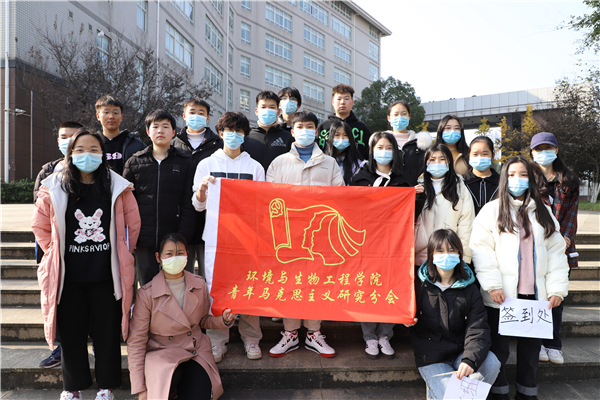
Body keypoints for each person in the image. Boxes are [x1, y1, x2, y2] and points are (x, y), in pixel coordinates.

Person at [31, 129, 141, 400]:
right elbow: (40, 226)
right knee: (71, 336)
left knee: (107, 335)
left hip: (106, 276)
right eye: (80, 150)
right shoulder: (54, 186)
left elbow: (132, 224)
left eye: (93, 149)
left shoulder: (117, 186)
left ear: (102, 154)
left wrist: (123, 252)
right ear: (70, 154)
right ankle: (72, 387)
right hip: (68, 278)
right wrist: (54, 252)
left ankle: (106, 387)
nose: (86, 155)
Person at [470, 156, 569, 400]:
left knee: (530, 350)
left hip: (535, 296)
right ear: (504, 178)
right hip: (502, 296)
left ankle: (527, 393)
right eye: (512, 174)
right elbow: (481, 251)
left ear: (531, 179)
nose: (518, 179)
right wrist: (492, 285)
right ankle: (499, 392)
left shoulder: (543, 212)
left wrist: (557, 289)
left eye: (523, 174)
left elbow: (556, 253)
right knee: (499, 349)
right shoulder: (491, 211)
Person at [267, 111, 343, 358]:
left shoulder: (329, 163)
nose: (305, 131)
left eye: (309, 126)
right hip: (287, 237)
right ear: (292, 131)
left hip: (318, 236)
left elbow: (341, 198)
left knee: (317, 282)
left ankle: (313, 333)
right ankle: (290, 333)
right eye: (299, 127)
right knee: (290, 282)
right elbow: (268, 200)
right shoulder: (279, 163)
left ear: (316, 131)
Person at [192, 111, 265, 363]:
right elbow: (198, 206)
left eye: (239, 131)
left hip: (247, 239)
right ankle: (217, 340)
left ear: (245, 135)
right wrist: (202, 190)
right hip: (216, 238)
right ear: (220, 133)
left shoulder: (254, 167)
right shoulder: (206, 164)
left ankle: (251, 338)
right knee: (217, 288)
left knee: (249, 286)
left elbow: (261, 205)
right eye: (229, 131)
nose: (234, 135)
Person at [127, 233, 235, 400]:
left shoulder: (199, 284)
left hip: (195, 350)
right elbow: (137, 341)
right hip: (162, 352)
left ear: (187, 255)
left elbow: (203, 321)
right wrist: (140, 388)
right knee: (163, 388)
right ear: (158, 257)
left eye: (180, 253)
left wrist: (224, 320)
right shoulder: (146, 293)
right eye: (169, 254)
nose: (175, 258)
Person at [350, 131, 425, 359]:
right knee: (367, 286)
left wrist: (416, 196)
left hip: (395, 244)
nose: (384, 152)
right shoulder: (360, 178)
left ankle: (385, 334)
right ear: (372, 151)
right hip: (366, 243)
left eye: (388, 148)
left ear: (395, 151)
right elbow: (350, 208)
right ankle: (369, 336)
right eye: (379, 147)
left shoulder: (405, 180)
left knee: (389, 286)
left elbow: (413, 213)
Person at [406, 229, 500, 400]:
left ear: (459, 254)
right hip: (432, 358)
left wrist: (469, 360)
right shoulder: (418, 285)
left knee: (492, 362)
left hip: (461, 352)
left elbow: (478, 328)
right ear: (431, 254)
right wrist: (405, 319)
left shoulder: (470, 288)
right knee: (452, 397)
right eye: (440, 251)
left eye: (451, 250)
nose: (446, 255)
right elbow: (402, 309)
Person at [123, 110, 196, 286]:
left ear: (174, 132)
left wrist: (182, 236)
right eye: (155, 126)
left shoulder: (185, 162)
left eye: (165, 126)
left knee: (176, 286)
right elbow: (126, 204)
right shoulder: (134, 162)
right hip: (144, 239)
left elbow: (189, 203)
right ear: (148, 131)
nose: (160, 131)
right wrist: (132, 235)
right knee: (147, 286)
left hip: (174, 237)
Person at [34, 120, 84, 369]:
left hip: (85, 248)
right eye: (65, 137)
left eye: (74, 137)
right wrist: (50, 249)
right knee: (59, 300)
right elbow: (40, 215)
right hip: (55, 249)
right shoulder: (47, 171)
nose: (69, 141)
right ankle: (62, 347)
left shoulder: (93, 172)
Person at [529, 132, 580, 365]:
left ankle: (553, 344)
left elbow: (572, 213)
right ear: (532, 153)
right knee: (536, 295)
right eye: (538, 149)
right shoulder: (527, 177)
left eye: (548, 148)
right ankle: (538, 342)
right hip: (536, 245)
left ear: (556, 150)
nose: (543, 153)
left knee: (556, 296)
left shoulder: (568, 179)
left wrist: (565, 236)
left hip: (561, 248)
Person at [172, 98, 224, 277]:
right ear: (184, 115)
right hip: (180, 216)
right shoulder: (174, 144)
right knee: (182, 274)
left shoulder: (218, 144)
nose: (196, 116)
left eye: (201, 113)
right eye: (192, 112)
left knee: (208, 273)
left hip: (209, 217)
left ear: (208, 118)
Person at [414, 143, 475, 267]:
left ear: (449, 162)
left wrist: (464, 258)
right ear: (426, 163)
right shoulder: (418, 188)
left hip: (449, 255)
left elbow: (466, 224)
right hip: (420, 256)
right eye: (432, 159)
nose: (437, 163)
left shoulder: (460, 188)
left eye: (442, 159)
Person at [316, 84, 371, 160]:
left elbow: (369, 155)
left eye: (346, 99)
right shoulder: (322, 127)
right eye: (339, 99)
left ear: (352, 102)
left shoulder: (362, 128)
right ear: (333, 102)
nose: (342, 102)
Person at [95, 94, 146, 175]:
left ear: (121, 117)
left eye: (115, 113)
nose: (111, 116)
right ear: (98, 116)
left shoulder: (137, 144)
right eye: (106, 112)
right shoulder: (92, 143)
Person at [243, 90, 294, 171]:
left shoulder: (288, 137)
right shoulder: (246, 136)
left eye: (272, 107)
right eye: (263, 107)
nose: (267, 110)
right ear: (256, 111)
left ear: (278, 112)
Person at [385, 100, 432, 183]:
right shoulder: (382, 142)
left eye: (403, 114)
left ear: (409, 117)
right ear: (389, 118)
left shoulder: (421, 143)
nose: (399, 117)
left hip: (414, 189)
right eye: (395, 114)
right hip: (388, 189)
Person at [463, 136, 500, 215]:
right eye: (475, 154)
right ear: (469, 156)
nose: (479, 157)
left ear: (492, 156)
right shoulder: (462, 182)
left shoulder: (502, 182)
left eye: (484, 154)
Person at [325, 120, 364, 185]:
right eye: (337, 135)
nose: (341, 139)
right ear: (331, 137)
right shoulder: (323, 161)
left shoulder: (359, 164)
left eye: (345, 135)